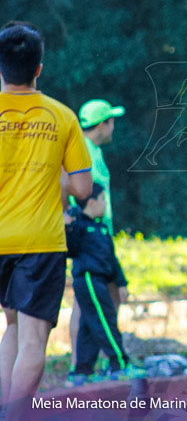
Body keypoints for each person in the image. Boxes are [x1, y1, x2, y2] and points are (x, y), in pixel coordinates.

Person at [0, 22, 93, 417]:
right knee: (33, 339)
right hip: (40, 243)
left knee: (14, 328)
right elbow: (84, 190)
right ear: (39, 68)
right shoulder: (63, 117)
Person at [64, 184, 140, 384]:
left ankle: (82, 370)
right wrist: (69, 225)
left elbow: (112, 259)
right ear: (91, 201)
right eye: (103, 199)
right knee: (105, 321)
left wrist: (121, 283)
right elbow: (69, 249)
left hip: (101, 280)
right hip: (87, 279)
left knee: (90, 325)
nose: (105, 204)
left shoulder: (102, 229)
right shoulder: (78, 226)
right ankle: (119, 363)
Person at [69, 98, 125, 369]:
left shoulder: (94, 151)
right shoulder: (83, 150)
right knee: (86, 303)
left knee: (108, 298)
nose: (113, 127)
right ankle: (81, 364)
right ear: (103, 124)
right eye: (111, 121)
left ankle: (103, 361)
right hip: (89, 238)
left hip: (101, 235)